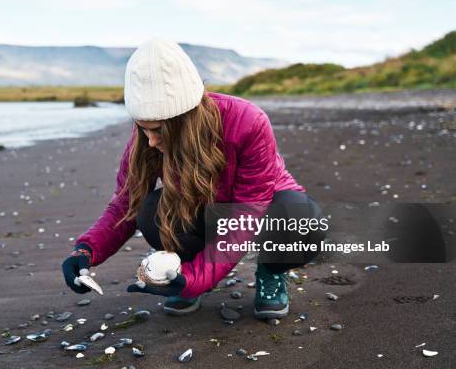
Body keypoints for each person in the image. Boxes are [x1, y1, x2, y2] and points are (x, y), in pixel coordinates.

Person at [62, 38, 324, 318]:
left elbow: (247, 212)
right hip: (204, 213)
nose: (150, 141)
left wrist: (196, 277)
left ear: (182, 118)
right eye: (142, 128)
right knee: (150, 210)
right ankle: (187, 272)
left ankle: (271, 271)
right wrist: (86, 251)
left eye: (157, 130)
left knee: (301, 219)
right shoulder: (146, 140)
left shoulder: (248, 121)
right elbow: (126, 205)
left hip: (260, 214)